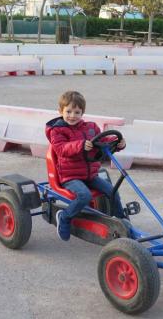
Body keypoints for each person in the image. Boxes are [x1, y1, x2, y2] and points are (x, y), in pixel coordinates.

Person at [45, 91, 126, 241]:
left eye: (77, 112)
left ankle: (121, 221)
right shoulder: (57, 131)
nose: (72, 116)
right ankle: (65, 217)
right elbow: (61, 149)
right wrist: (80, 145)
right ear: (60, 111)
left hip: (90, 175)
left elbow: (105, 140)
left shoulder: (91, 127)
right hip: (70, 176)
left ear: (83, 112)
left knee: (112, 191)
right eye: (68, 111)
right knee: (85, 195)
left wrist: (118, 142)